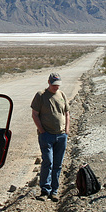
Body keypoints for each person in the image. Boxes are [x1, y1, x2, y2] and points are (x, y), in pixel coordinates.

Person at [31, 72, 70, 202]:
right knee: (48, 161)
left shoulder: (62, 94)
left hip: (61, 136)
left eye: (58, 85)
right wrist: (42, 131)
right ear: (49, 82)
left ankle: (54, 191)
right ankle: (44, 190)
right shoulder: (41, 95)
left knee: (58, 164)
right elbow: (35, 114)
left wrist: (66, 130)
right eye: (54, 85)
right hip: (46, 135)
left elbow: (67, 113)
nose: (56, 87)